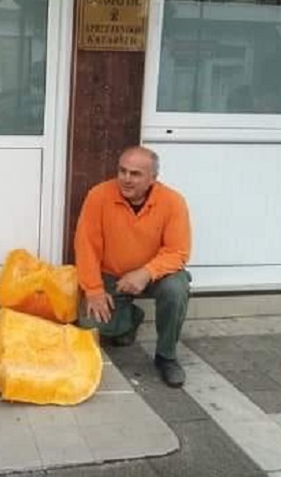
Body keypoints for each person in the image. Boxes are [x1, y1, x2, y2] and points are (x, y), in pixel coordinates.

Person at [74, 146, 191, 387]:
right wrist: (93, 289)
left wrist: (146, 272)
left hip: (155, 276)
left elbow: (178, 252)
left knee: (176, 288)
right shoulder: (99, 195)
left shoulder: (172, 202)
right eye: (122, 171)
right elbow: (86, 246)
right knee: (90, 326)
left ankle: (166, 356)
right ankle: (129, 320)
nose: (126, 179)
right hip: (112, 277)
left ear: (152, 178)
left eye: (135, 174)